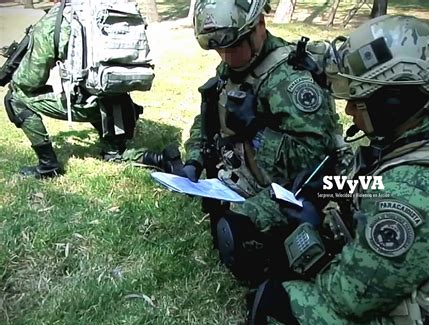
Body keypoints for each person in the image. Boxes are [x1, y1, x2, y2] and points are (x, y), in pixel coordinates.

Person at [225, 15, 429, 325]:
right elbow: (371, 180)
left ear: (392, 101)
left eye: (359, 100)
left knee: (273, 302)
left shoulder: (408, 196)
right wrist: (321, 189)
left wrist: (315, 246)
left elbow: (349, 297)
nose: (348, 109)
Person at [176, 0, 348, 284]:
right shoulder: (237, 64)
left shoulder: (290, 80)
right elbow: (208, 114)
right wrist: (193, 158)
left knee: (236, 238)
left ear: (259, 26)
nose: (227, 57)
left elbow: (314, 163)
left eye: (233, 47)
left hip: (296, 192)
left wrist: (255, 130)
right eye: (220, 49)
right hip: (246, 178)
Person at [2, 2, 180, 179]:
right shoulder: (115, 7)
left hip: (88, 104)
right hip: (118, 105)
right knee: (115, 155)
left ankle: (48, 166)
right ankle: (160, 159)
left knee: (15, 97)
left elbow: (28, 82)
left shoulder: (56, 21)